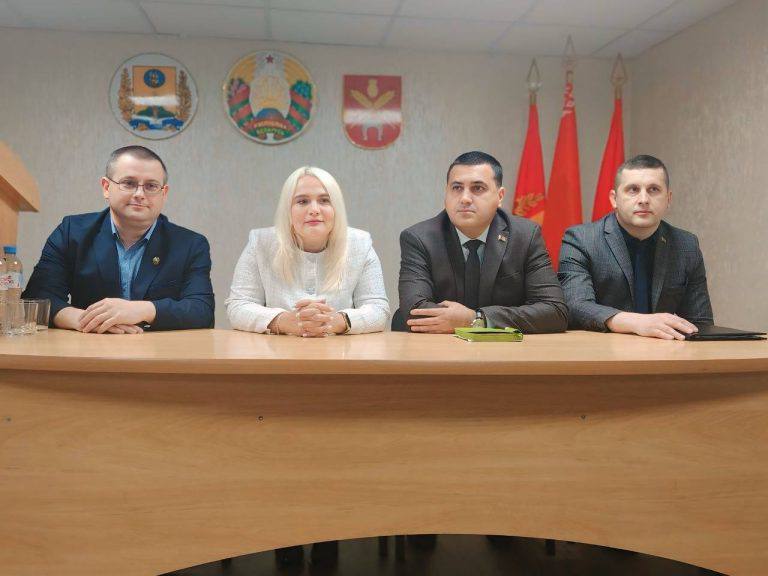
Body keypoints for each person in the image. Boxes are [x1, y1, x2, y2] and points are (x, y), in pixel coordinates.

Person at [23, 145, 214, 333]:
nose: (140, 194)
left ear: (163, 194)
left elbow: (202, 310)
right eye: (129, 183)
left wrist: (143, 310)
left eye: (151, 186)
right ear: (106, 187)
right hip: (90, 346)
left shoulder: (190, 244)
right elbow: (36, 298)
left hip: (158, 350)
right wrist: (85, 320)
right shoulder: (72, 232)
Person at [398, 150, 567, 333]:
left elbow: (554, 311)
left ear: (500, 196)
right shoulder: (419, 238)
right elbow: (414, 310)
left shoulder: (525, 236)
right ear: (446, 193)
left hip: (505, 347)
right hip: (440, 345)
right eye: (456, 188)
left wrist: (476, 319)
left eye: (478, 188)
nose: (464, 198)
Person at [558, 154, 713, 340]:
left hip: (666, 352)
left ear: (668, 198)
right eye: (633, 190)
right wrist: (637, 323)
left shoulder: (686, 245)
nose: (644, 199)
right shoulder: (581, 239)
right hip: (602, 351)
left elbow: (701, 323)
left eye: (654, 190)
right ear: (614, 199)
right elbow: (575, 305)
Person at [226, 166, 389, 337]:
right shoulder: (260, 243)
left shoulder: (360, 244)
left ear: (336, 208)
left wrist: (336, 321)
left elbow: (379, 309)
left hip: (340, 351)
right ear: (288, 210)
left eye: (324, 200)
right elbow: (238, 306)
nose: (314, 210)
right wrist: (283, 321)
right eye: (302, 201)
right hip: (277, 350)